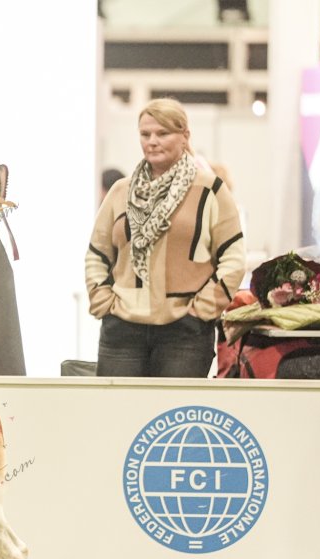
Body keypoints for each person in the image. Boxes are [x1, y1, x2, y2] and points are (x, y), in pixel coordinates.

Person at [85, 98, 246, 377]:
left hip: (185, 333)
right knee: (116, 406)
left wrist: (202, 308)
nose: (152, 141)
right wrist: (104, 301)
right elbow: (97, 254)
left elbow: (233, 257)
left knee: (175, 407)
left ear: (185, 136)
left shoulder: (210, 190)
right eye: (145, 134)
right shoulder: (121, 192)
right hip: (122, 330)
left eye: (163, 133)